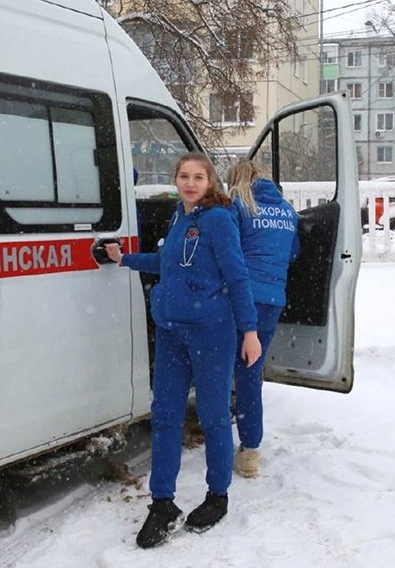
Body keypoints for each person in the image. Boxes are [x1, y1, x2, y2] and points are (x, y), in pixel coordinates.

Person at [105, 152, 261, 549]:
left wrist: (249, 331)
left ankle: (217, 496)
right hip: (171, 332)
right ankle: (162, 503)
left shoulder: (218, 220)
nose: (190, 184)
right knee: (164, 416)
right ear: (175, 180)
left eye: (198, 177)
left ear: (210, 182)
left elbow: (238, 277)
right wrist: (124, 259)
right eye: (184, 176)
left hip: (211, 332)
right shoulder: (180, 217)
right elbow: (166, 262)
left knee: (212, 417)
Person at [225, 159, 299, 479]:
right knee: (250, 374)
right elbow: (293, 253)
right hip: (272, 301)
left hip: (240, 298)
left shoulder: (239, 205)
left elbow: (227, 250)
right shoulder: (287, 211)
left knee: (220, 371)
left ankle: (221, 441)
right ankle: (250, 451)